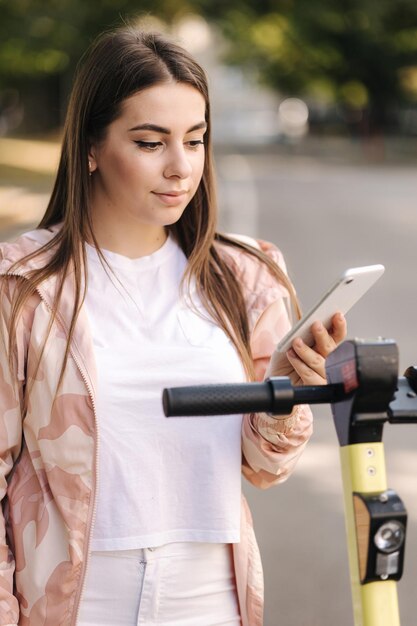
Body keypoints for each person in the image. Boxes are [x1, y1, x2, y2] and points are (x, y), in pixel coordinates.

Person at [0, 26, 347, 626]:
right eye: (150, 142)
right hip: (73, 599)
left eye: (196, 139)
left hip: (209, 594)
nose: (180, 167)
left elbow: (265, 468)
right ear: (90, 146)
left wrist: (284, 393)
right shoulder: (22, 286)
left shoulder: (246, 275)